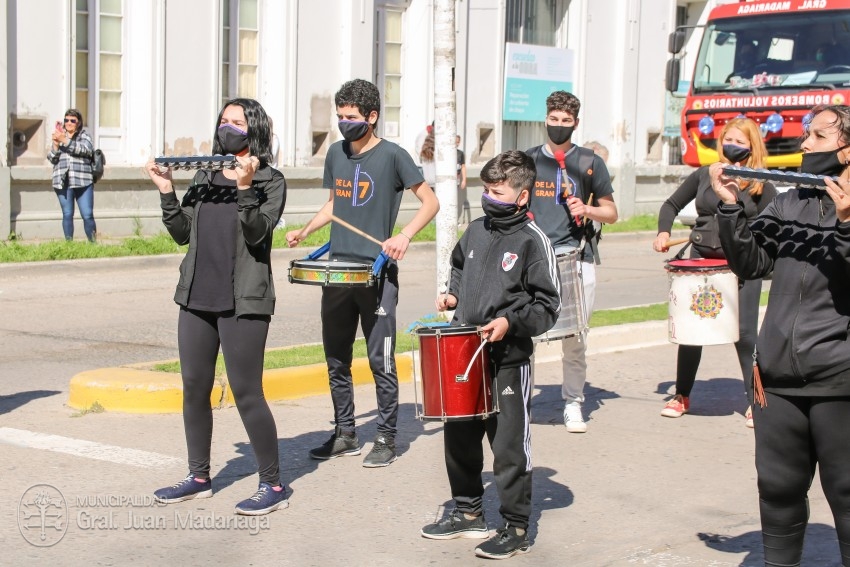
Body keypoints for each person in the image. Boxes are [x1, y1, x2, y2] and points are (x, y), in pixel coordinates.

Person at [709, 104, 850, 567]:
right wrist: (730, 207)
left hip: (839, 381)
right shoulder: (791, 201)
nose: (804, 144)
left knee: (845, 494)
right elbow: (751, 263)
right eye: (807, 135)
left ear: (847, 150)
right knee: (777, 488)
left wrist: (846, 222)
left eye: (818, 137)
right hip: (776, 379)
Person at [144, 98, 288, 515]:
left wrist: (244, 187)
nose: (228, 127)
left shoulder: (270, 180)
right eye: (224, 121)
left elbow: (258, 232)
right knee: (193, 388)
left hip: (243, 300)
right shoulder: (206, 174)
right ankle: (199, 477)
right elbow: (182, 233)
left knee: (246, 393)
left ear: (254, 129)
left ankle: (273, 484)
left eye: (237, 122)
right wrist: (167, 191)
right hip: (196, 296)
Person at [285, 79, 439, 467]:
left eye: (351, 117)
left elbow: (430, 201)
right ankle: (345, 433)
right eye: (340, 116)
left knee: (380, 361)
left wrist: (404, 235)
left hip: (376, 275)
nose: (343, 123)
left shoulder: (394, 156)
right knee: (336, 358)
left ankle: (386, 437)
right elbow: (336, 203)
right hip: (338, 274)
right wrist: (306, 230)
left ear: (371, 117)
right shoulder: (336, 153)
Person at [420, 150, 560, 559]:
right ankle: (467, 513)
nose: (488, 197)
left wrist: (509, 324)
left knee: (508, 447)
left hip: (508, 360)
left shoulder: (534, 242)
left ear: (521, 196)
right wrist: (452, 294)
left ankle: (516, 526)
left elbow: (547, 306)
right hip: (465, 351)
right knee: (459, 437)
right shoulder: (477, 230)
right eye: (486, 189)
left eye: (497, 191)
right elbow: (460, 267)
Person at [653, 117, 777, 427]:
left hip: (743, 266)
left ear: (752, 147)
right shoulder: (703, 175)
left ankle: (755, 401)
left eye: (740, 141)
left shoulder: (763, 185)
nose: (731, 146)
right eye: (727, 140)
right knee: (691, 331)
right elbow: (670, 204)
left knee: (745, 334)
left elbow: (776, 227)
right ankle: (682, 395)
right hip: (701, 263)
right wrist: (663, 233)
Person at [526, 90, 619, 433]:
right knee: (526, 336)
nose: (559, 126)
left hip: (577, 257)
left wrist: (587, 208)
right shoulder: (529, 160)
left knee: (575, 338)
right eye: (554, 119)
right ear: (546, 119)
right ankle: (520, 402)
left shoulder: (589, 162)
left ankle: (573, 403)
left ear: (575, 124)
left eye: (566, 121)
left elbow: (611, 212)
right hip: (534, 259)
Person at [47, 109, 97, 242]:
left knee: (87, 215)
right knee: (67, 214)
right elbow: (52, 158)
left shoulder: (84, 136)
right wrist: (56, 145)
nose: (69, 123)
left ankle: (93, 244)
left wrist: (66, 141)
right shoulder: (59, 135)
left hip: (83, 181)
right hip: (63, 181)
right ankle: (69, 244)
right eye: (66, 120)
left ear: (78, 122)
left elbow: (86, 150)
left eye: (72, 120)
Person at [457, 135, 469, 225]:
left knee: (456, 200)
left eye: (458, 142)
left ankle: (456, 219)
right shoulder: (447, 151)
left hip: (457, 179)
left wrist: (464, 180)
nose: (456, 144)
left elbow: (463, 166)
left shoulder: (460, 153)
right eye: (455, 141)